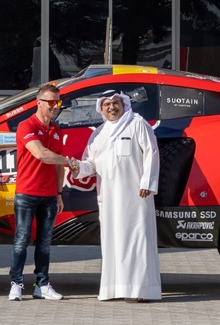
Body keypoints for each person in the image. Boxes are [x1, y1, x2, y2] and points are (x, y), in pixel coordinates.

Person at [69, 90, 162, 302]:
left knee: (138, 240)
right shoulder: (98, 133)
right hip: (109, 198)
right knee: (113, 241)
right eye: (107, 104)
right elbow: (90, 164)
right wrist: (77, 168)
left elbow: (151, 152)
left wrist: (147, 181)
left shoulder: (137, 124)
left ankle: (142, 291)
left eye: (116, 103)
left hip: (136, 195)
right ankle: (116, 289)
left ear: (124, 104)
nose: (112, 107)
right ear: (101, 108)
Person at [9, 83, 69, 301]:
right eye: (51, 102)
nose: (55, 106)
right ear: (39, 103)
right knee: (21, 240)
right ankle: (16, 284)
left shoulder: (56, 131)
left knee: (44, 242)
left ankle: (41, 285)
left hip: (50, 196)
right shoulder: (27, 126)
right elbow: (41, 154)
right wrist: (69, 161)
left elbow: (57, 167)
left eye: (58, 102)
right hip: (27, 193)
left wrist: (59, 193)